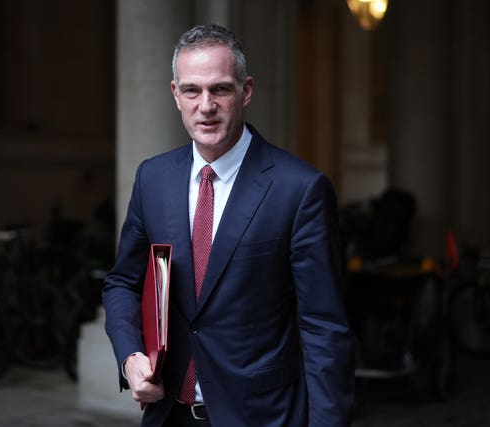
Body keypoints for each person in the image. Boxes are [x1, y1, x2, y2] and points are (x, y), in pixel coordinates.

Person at [102, 23, 354, 426]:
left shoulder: (300, 189)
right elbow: (122, 283)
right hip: (169, 415)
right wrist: (130, 356)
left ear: (246, 91)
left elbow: (324, 328)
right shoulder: (153, 178)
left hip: (261, 417)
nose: (206, 105)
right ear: (175, 95)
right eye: (192, 91)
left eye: (219, 89)